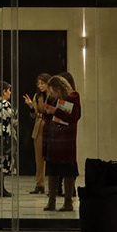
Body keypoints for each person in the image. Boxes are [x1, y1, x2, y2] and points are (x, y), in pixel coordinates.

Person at [41, 74, 81, 212]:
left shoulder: (73, 97)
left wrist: (56, 111)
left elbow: (74, 117)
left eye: (54, 91)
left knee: (68, 170)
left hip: (66, 138)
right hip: (53, 137)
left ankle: (68, 201)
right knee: (52, 169)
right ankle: (51, 201)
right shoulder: (52, 98)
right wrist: (48, 111)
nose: (53, 94)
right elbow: (46, 116)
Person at [24, 73, 52, 193]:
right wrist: (31, 106)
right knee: (39, 158)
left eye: (42, 83)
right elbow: (34, 114)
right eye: (38, 84)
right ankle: (39, 184)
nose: (40, 86)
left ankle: (55, 185)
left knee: (53, 157)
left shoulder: (53, 95)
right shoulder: (37, 96)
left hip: (51, 126)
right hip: (39, 126)